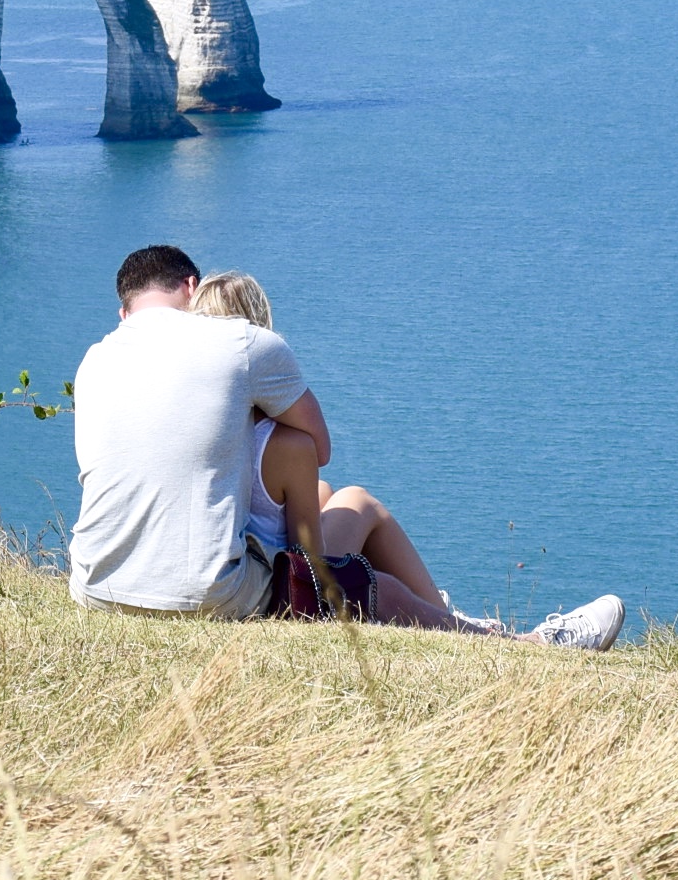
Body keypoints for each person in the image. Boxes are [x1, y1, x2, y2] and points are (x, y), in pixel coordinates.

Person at [68, 245, 623, 648]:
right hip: (204, 596)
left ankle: (453, 619)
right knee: (370, 577)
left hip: (95, 587)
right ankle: (523, 647)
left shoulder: (95, 360)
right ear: (191, 287)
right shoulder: (242, 342)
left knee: (336, 498)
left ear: (124, 313)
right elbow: (318, 443)